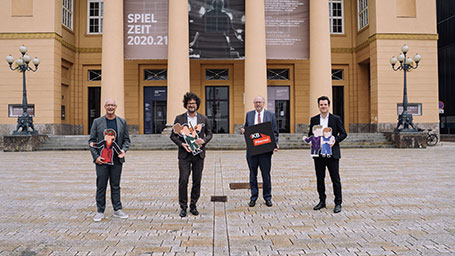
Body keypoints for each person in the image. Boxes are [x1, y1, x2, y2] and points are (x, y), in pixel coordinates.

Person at [170, 92, 213, 217]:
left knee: (197, 180)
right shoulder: (179, 118)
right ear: (186, 105)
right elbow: (173, 136)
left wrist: (204, 140)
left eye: (193, 103)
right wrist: (181, 144)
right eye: (189, 103)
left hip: (198, 154)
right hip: (185, 154)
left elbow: (210, 133)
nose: (191, 105)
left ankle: (193, 205)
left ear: (197, 105)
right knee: (183, 180)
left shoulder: (203, 119)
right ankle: (183, 206)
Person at [89, 99, 131, 222]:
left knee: (115, 185)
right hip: (102, 161)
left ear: (116, 107)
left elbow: (127, 140)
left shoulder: (122, 122)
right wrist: (96, 157)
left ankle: (117, 209)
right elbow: (92, 141)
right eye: (108, 105)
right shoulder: (97, 122)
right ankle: (100, 211)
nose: (110, 107)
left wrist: (123, 150)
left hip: (116, 161)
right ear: (105, 107)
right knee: (101, 185)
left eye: (112, 105)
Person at [308, 96, 347, 213]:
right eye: (321, 105)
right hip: (319, 153)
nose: (323, 107)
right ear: (318, 106)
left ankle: (338, 203)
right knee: (320, 178)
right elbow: (311, 134)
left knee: (335, 178)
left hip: (332, 153)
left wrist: (335, 139)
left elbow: (344, 134)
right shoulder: (314, 119)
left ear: (328, 106)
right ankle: (322, 201)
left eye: (325, 105)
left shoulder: (335, 119)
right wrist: (311, 141)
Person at [242, 96, 279, 207]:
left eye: (259, 102)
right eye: (256, 102)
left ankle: (267, 197)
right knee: (253, 174)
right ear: (254, 104)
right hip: (252, 150)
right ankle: (253, 197)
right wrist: (243, 130)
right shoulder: (249, 115)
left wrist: (275, 143)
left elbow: (275, 132)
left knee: (266, 175)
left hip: (265, 151)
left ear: (263, 103)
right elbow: (246, 129)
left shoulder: (270, 115)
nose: (258, 104)